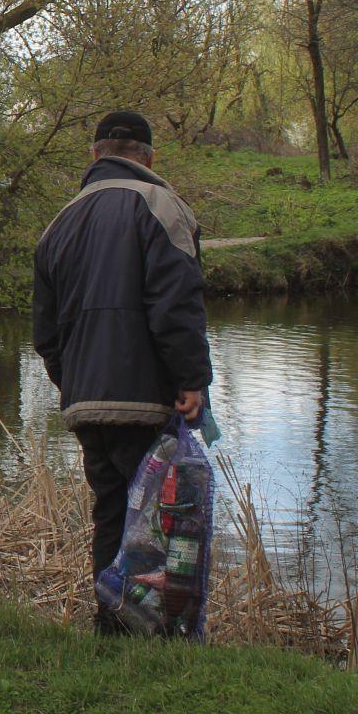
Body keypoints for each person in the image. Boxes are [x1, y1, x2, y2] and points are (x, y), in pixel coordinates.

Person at [31, 111, 213, 634]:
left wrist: (74, 381)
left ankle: (110, 624)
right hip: (146, 398)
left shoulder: (58, 223)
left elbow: (45, 332)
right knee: (156, 517)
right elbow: (176, 303)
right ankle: (153, 629)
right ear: (149, 158)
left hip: (86, 402)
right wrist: (191, 379)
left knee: (111, 510)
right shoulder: (163, 207)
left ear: (95, 156)